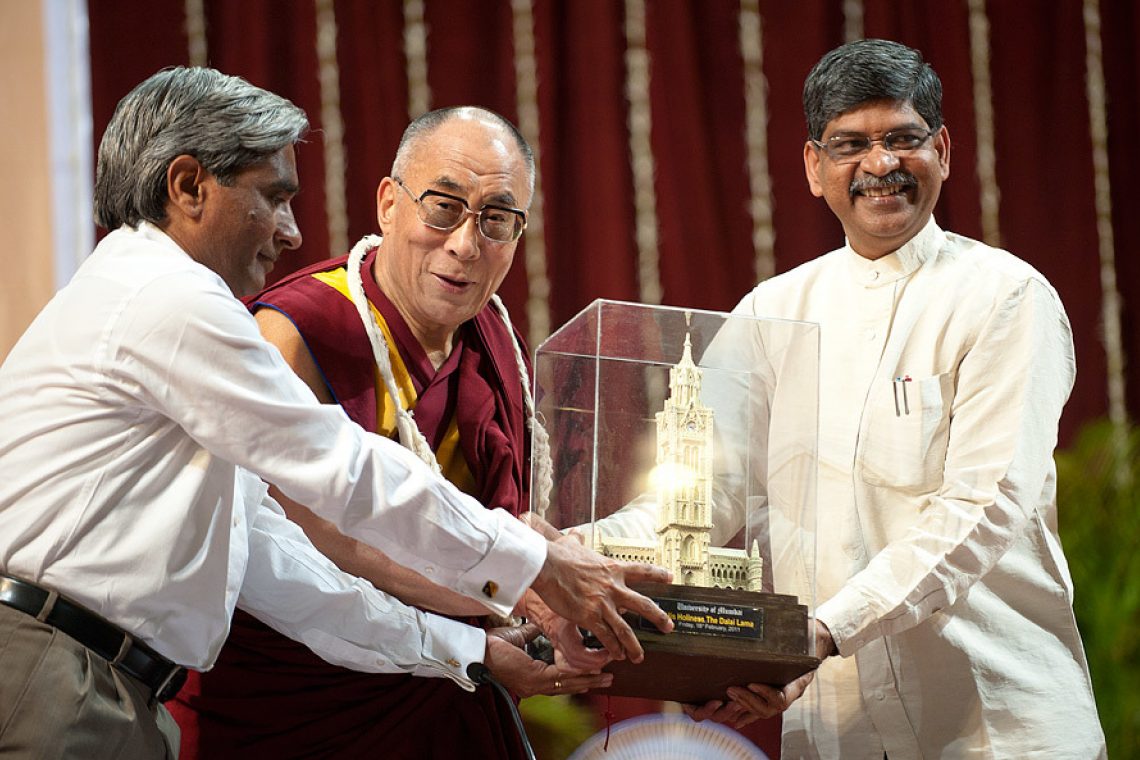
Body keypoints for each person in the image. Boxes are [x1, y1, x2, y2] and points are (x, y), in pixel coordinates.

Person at [0, 68, 671, 758]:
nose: (291, 231)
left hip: (108, 687)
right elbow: (342, 466)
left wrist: (470, 651)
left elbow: (272, 562)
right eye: (273, 198)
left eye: (498, 221)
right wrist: (534, 565)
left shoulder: (151, 298)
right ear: (188, 186)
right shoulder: (168, 299)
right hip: (53, 674)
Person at [689, 38, 1105, 758]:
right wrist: (581, 561)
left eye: (902, 139)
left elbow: (985, 507)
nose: (880, 165)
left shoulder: (1005, 297)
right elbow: (704, 484)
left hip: (995, 723)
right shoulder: (772, 311)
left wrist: (824, 630)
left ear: (942, 150)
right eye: (850, 145)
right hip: (833, 726)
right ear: (814, 168)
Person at [170, 106, 608, 758]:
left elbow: (504, 519)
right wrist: (518, 596)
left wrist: (566, 601)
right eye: (443, 207)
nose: (465, 244)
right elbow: (321, 537)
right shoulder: (296, 333)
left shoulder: (496, 343)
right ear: (387, 204)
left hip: (456, 684)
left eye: (496, 219)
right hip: (300, 706)